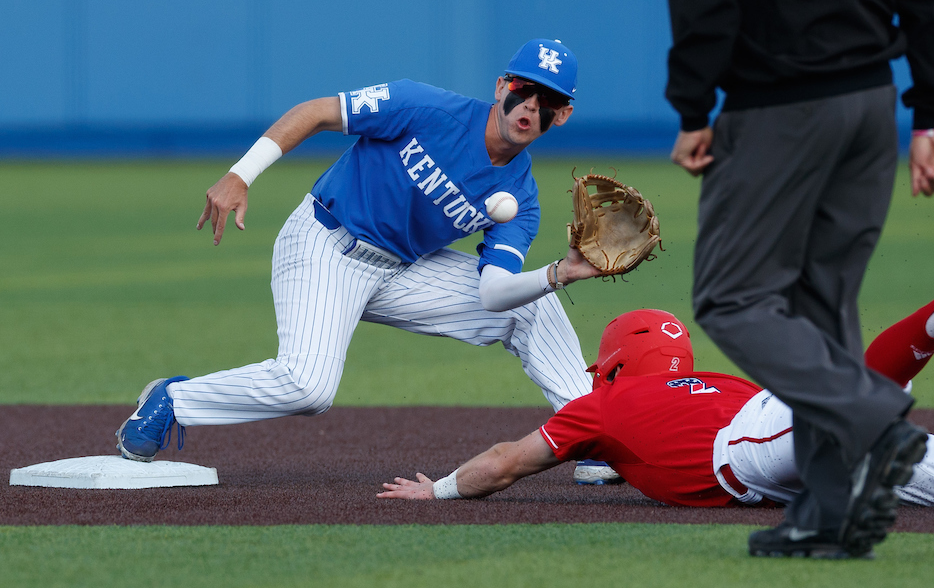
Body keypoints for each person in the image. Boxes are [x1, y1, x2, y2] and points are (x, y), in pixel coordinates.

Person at [377, 250, 934, 559]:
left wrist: (439, 490)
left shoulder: (600, 411)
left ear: (613, 365)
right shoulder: (702, 386)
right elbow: (633, 459)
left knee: (848, 406)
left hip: (762, 448)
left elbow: (508, 464)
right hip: (773, 416)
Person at [115, 38, 620, 484]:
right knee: (307, 387)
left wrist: (561, 273)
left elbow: (493, 294)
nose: (529, 105)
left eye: (548, 100)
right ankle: (173, 400)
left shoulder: (521, 197)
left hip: (402, 270)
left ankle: (590, 433)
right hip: (325, 244)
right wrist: (240, 174)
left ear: (563, 115)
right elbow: (315, 113)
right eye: (522, 88)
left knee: (533, 303)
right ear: (499, 86)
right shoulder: (424, 107)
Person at [663, 0, 934, 554]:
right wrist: (928, 113)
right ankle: (828, 511)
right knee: (821, 304)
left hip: (778, 109)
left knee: (731, 297)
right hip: (870, 107)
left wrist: (693, 109)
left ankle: (879, 422)